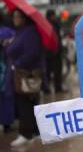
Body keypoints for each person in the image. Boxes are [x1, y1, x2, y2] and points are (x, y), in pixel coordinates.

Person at [7, 9, 44, 147]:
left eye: (18, 16)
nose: (15, 19)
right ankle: (35, 131)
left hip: (26, 75)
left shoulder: (30, 32)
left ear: (24, 18)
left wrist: (17, 64)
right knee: (29, 103)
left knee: (26, 103)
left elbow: (32, 53)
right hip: (20, 74)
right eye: (14, 16)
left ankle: (26, 134)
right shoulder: (20, 32)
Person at [44, 9, 63, 93]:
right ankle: (57, 88)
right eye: (53, 15)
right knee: (57, 71)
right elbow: (57, 38)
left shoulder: (44, 25)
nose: (54, 17)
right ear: (51, 16)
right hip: (55, 52)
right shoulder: (54, 25)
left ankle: (46, 89)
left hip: (48, 52)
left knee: (48, 71)